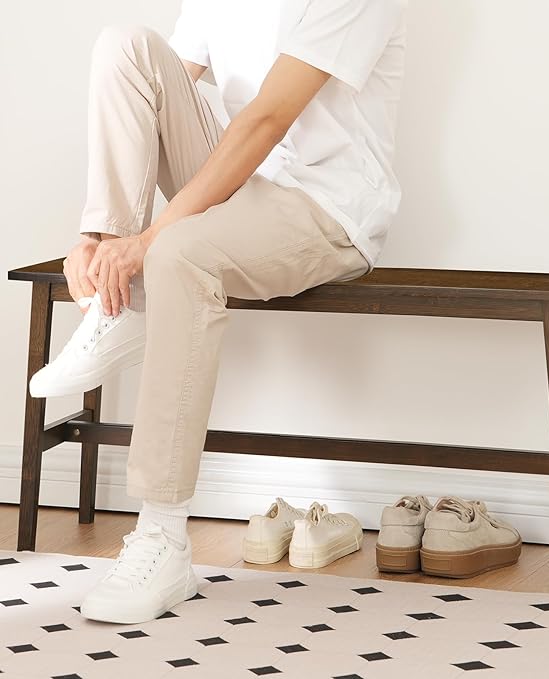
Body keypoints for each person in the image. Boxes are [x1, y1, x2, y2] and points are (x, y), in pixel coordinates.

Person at [29, 0, 408, 623]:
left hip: (327, 207)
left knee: (178, 253)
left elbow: (267, 119)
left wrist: (149, 244)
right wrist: (98, 241)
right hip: (238, 184)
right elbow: (152, 98)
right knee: (127, 46)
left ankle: (162, 536)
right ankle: (117, 303)